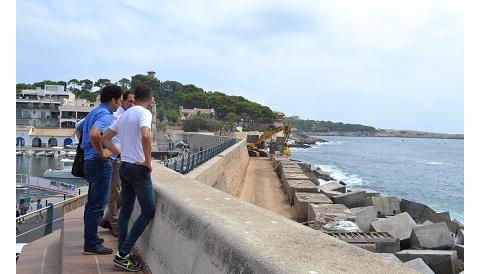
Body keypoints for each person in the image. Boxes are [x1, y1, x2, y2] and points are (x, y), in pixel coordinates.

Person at [102, 85, 155, 272]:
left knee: (126, 210)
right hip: (137, 169)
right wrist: (148, 162)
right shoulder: (144, 113)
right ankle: (123, 253)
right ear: (149, 99)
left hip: (124, 166)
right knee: (148, 210)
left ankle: (121, 250)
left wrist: (119, 155)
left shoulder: (125, 114)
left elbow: (105, 138)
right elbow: (146, 137)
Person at [79, 84, 122, 255]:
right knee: (97, 205)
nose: (119, 105)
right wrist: (100, 151)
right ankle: (90, 244)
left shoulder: (93, 112)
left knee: (92, 203)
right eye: (119, 101)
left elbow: (79, 130)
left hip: (89, 162)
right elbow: (95, 134)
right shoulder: (105, 115)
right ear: (113, 100)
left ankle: (91, 238)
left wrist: (89, 149)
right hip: (99, 163)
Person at [99, 90, 135, 237]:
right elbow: (84, 129)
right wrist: (110, 152)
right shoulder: (115, 116)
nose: (132, 104)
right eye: (129, 101)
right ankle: (114, 224)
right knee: (115, 193)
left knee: (125, 192)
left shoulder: (129, 116)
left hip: (126, 158)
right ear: (122, 101)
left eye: (134, 102)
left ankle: (107, 218)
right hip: (116, 159)